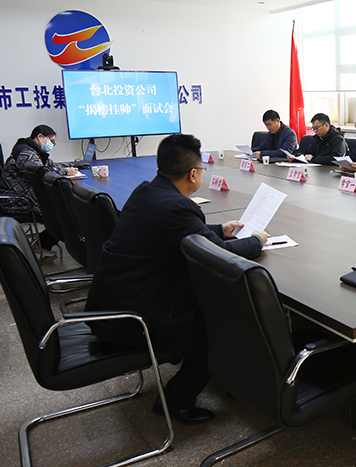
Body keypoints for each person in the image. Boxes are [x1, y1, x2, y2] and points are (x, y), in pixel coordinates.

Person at [85, 134, 268, 425]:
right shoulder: (178, 207)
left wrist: (219, 229)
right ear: (193, 174)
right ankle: (177, 401)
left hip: (114, 301)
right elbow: (220, 256)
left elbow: (180, 231)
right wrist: (256, 241)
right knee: (222, 326)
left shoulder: (146, 191)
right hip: (133, 319)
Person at [0, 124, 79, 256]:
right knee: (66, 211)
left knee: (66, 207)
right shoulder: (27, 154)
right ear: (40, 137)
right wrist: (65, 172)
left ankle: (45, 242)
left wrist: (67, 168)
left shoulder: (27, 149)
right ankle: (46, 244)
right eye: (51, 141)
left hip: (22, 196)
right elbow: (43, 173)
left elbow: (48, 165)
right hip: (19, 201)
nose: (52, 144)